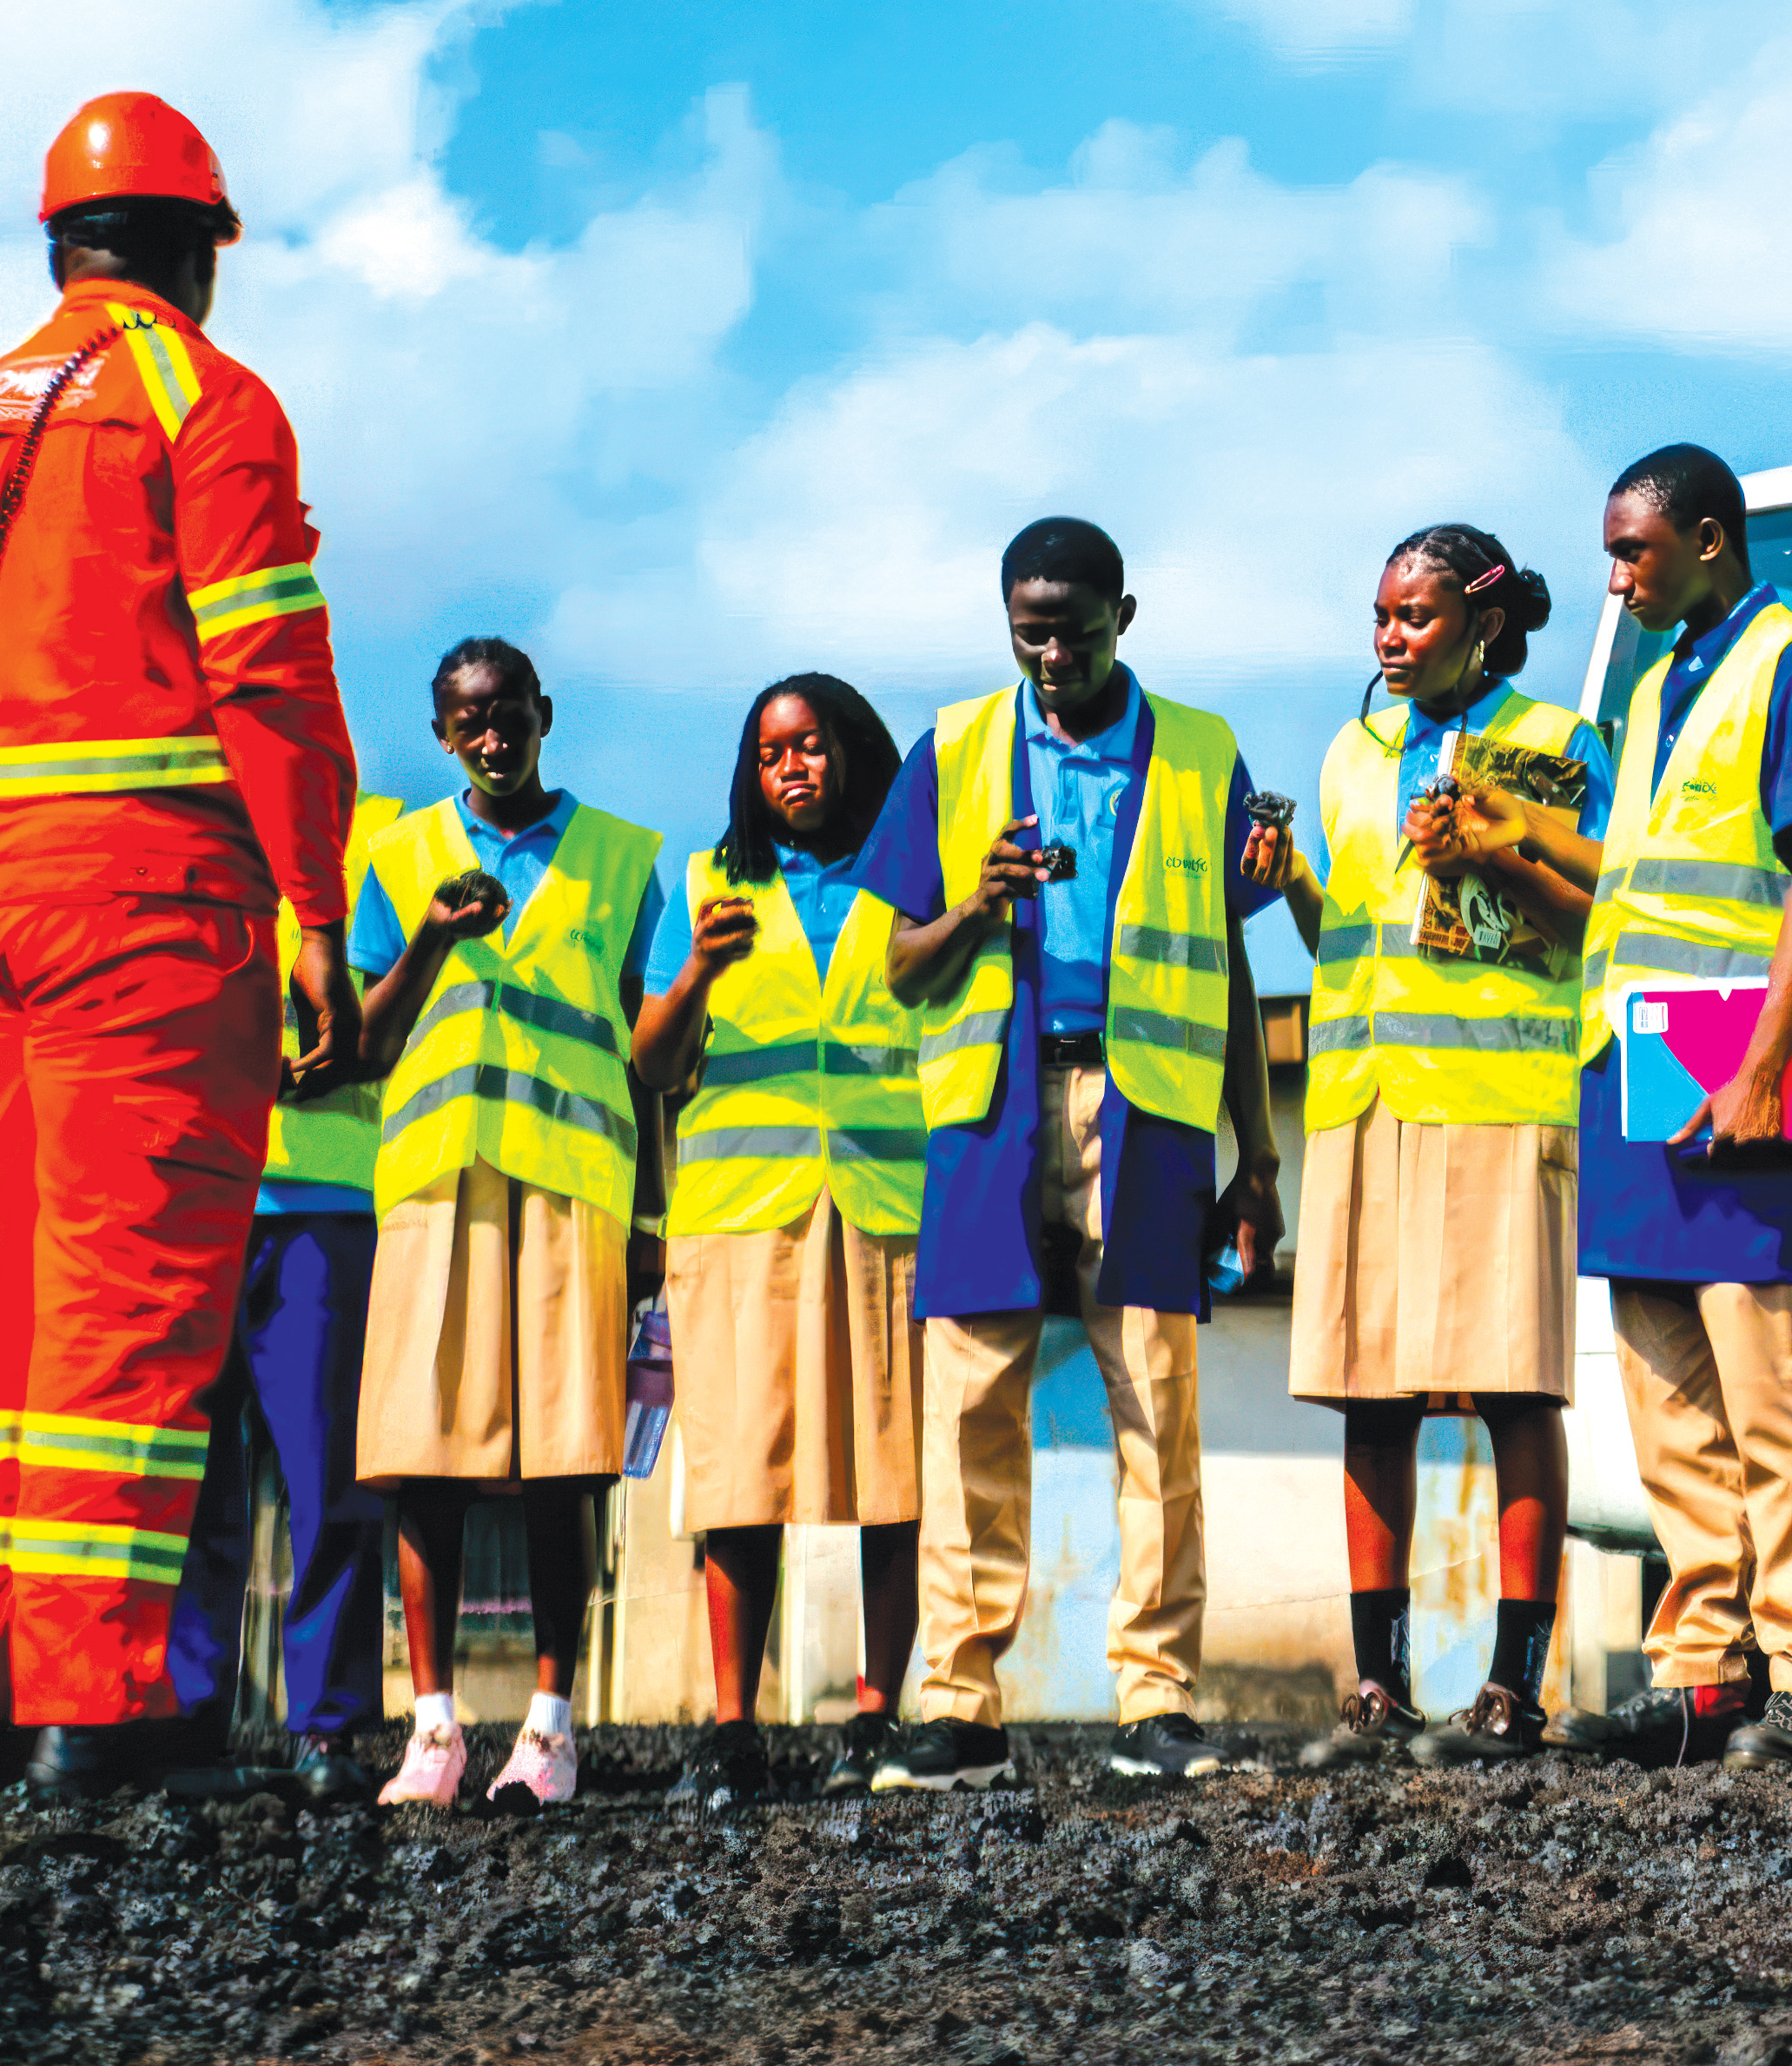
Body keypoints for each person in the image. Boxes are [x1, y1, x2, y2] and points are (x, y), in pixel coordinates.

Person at [0, 93, 359, 1792]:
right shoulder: (204, 403)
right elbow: (272, 684)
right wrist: (312, 907)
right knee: (125, 1299)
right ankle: (106, 1709)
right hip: (140, 901)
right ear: (198, 251)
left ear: (64, 241)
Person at [856, 516, 1282, 1792]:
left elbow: (1239, 957)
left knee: (1157, 1399)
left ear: (1125, 618)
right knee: (970, 1402)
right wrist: (979, 902)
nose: (1051, 656)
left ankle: (1157, 1697)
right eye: (1027, 632)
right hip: (991, 1113)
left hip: (1147, 1107)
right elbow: (897, 964)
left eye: (1076, 632)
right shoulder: (951, 749)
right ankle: (957, 1702)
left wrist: (1257, 1158)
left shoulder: (1203, 754)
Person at [1253, 526, 1604, 1773]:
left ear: (1483, 625)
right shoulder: (1353, 752)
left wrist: (1492, 854)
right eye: (1381, 617)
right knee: (1369, 1397)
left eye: (1416, 616)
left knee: (1514, 1389)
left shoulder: (1558, 745)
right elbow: (1346, 936)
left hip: (1501, 1103)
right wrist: (1287, 876)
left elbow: (1592, 922)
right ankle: (1377, 1686)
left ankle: (1513, 1686)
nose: (1391, 638)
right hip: (1364, 1102)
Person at [1547, 445, 1792, 1773]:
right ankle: (1704, 1670)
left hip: (1746, 1062)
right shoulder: (1658, 683)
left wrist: (1762, 1067)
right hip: (1635, 1067)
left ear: (1711, 539)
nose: (1616, 578)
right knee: (1667, 1394)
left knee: (1771, 1387)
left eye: (1634, 550)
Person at [351, 638, 674, 1811]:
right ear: (442, 735)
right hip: (438, 1190)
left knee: (564, 1469)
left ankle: (549, 1728)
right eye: (467, 722)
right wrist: (434, 934)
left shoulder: (627, 861)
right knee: (421, 1464)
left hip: (573, 1196)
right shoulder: (396, 858)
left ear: (546, 715)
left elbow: (650, 1062)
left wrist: (653, 1216)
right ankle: (432, 1728)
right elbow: (369, 1043)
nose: (492, 738)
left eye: (509, 716)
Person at [633, 676, 928, 1807]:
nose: (792, 769)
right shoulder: (711, 884)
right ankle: (730, 1727)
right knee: (741, 1473)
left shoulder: (912, 882)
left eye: (810, 747)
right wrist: (701, 968)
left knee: (890, 1471)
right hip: (741, 1219)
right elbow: (656, 1064)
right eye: (770, 755)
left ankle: (875, 1713)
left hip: (883, 1211)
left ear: (853, 752)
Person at [163, 785, 406, 1807]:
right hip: (187, 1194)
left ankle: (329, 1731)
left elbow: (393, 1013)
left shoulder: (380, 839)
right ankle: (183, 1719)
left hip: (322, 1203)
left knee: (330, 1484)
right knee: (186, 1479)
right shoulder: (167, 826)